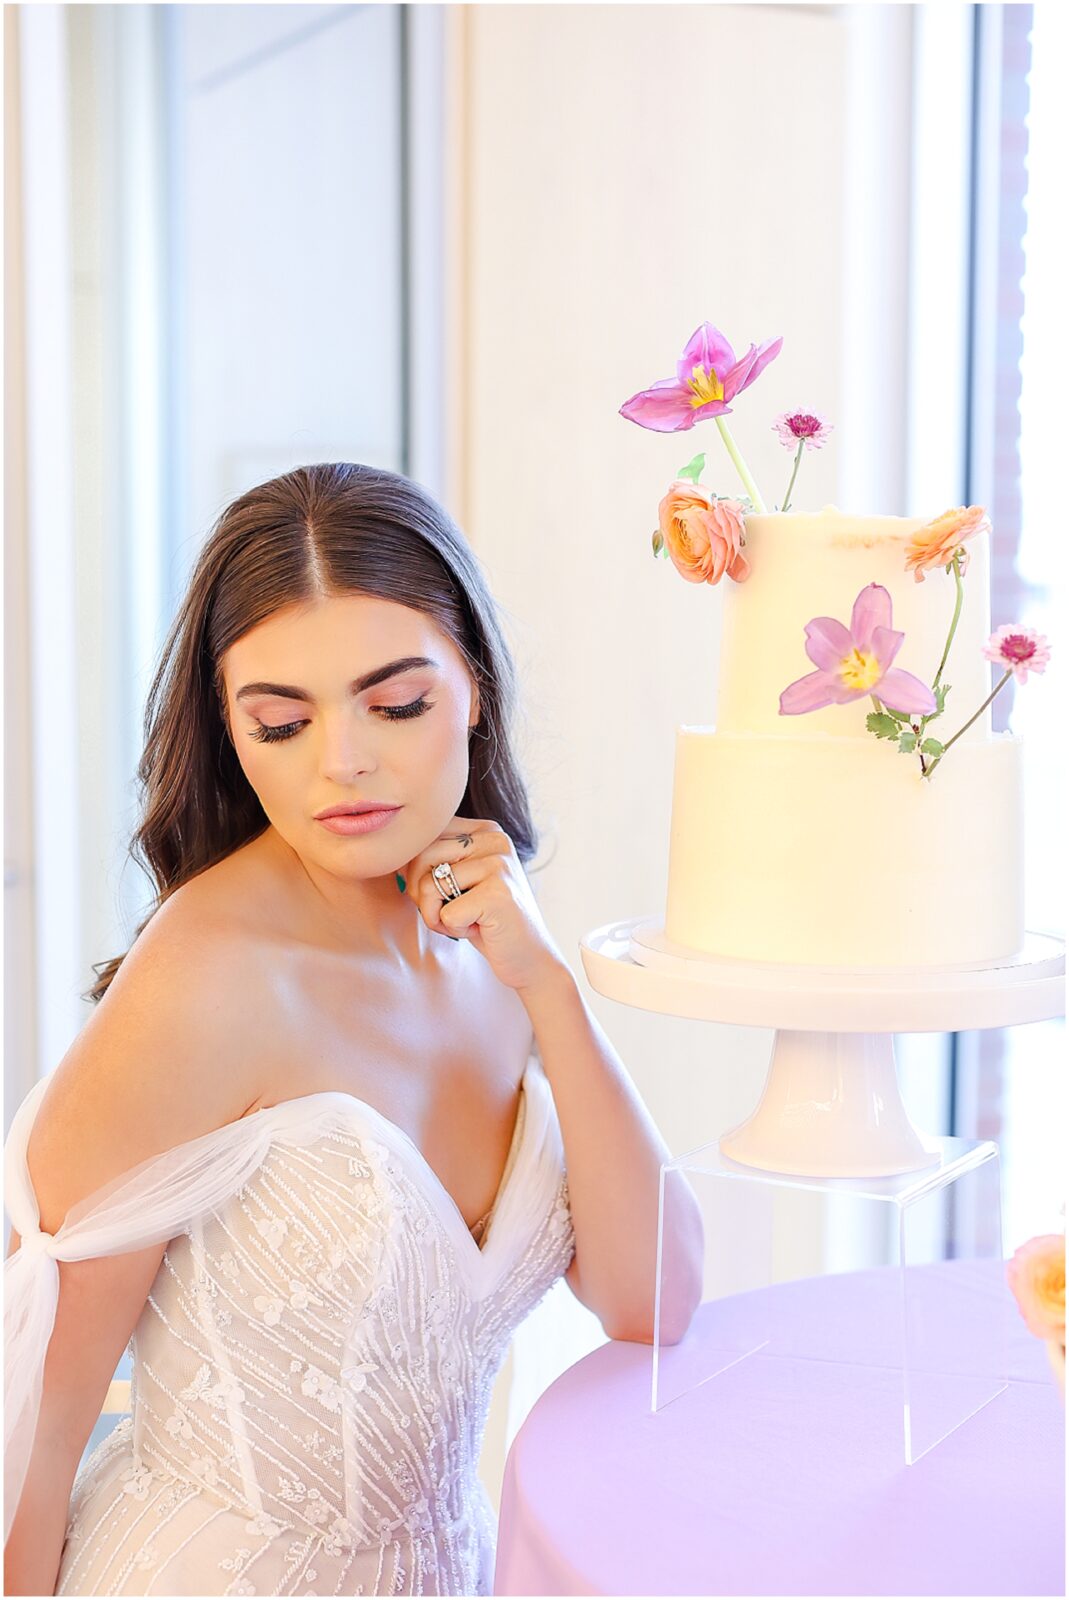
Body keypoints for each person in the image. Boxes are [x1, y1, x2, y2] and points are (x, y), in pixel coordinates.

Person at [4, 462, 703, 1597]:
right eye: (280, 722)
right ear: (231, 732)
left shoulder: (492, 941)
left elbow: (652, 1302)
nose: (342, 763)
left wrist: (550, 994)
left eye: (396, 704)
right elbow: (36, 1413)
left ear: (472, 685)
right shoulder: (210, 975)